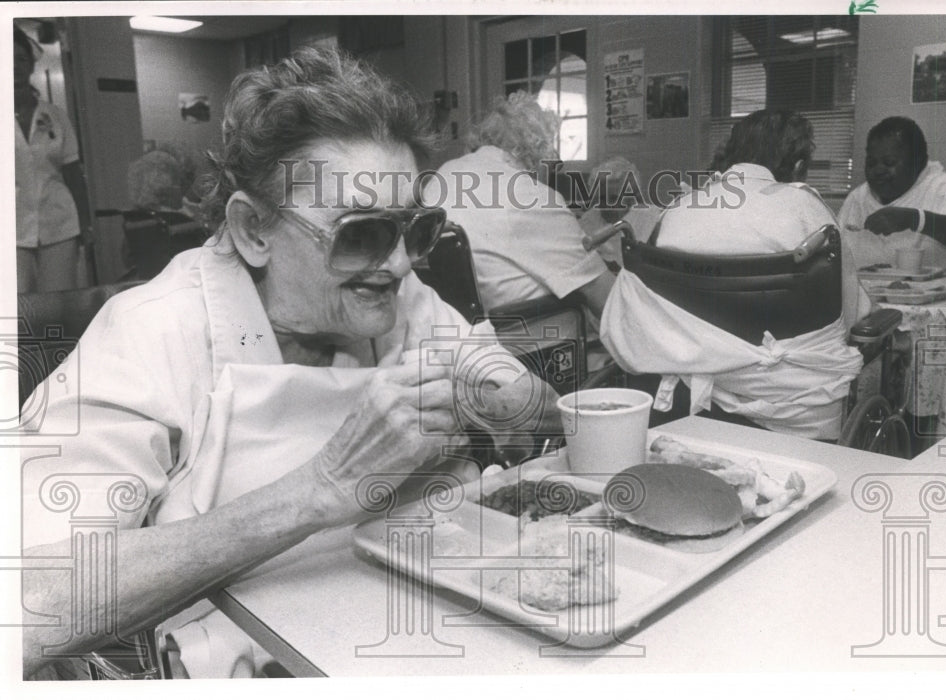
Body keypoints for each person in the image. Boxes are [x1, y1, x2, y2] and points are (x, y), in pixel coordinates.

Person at [21, 46, 558, 679]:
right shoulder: (152, 332)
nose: (399, 263)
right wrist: (321, 488)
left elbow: (532, 407)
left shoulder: (401, 296)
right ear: (253, 230)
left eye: (413, 230)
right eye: (359, 232)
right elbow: (29, 607)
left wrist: (508, 396)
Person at [600, 109, 866, 440]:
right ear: (798, 166)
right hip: (796, 410)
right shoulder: (809, 212)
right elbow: (850, 315)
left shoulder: (678, 211)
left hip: (687, 402)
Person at [421, 91, 615, 318]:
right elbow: (604, 296)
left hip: (454, 326)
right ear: (537, 149)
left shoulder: (444, 173)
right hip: (527, 334)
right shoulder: (529, 194)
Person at [14, 26, 91, 293]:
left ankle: (54, 338)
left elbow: (73, 172)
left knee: (59, 302)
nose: (14, 67)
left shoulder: (55, 116)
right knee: (15, 303)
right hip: (11, 227)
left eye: (21, 60)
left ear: (32, 65)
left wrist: (85, 223)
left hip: (60, 223)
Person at [838, 116, 946, 273]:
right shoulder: (858, 198)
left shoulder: (943, 188)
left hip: (939, 294)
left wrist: (917, 219)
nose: (878, 170)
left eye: (889, 162)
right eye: (871, 163)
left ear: (918, 162)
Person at [576, 156, 667, 267]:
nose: (608, 205)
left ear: (630, 197)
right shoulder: (588, 220)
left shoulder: (651, 217)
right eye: (603, 198)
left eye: (614, 198)